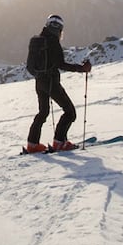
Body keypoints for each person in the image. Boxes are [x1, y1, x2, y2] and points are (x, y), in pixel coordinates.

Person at [26, 14, 92, 153]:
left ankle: (32, 144)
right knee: (70, 112)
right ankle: (59, 142)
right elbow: (61, 64)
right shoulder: (53, 43)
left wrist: (40, 76)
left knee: (43, 112)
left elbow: (29, 66)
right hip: (51, 82)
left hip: (39, 82)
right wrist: (81, 68)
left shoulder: (35, 41)